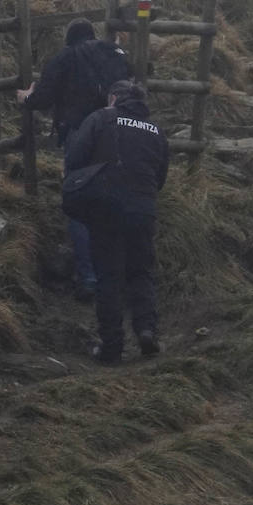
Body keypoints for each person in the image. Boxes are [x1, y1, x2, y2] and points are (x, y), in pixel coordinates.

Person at [17, 18, 130, 299]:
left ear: (69, 38)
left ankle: (88, 278)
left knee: (80, 198)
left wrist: (26, 98)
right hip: (116, 133)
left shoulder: (65, 56)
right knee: (114, 198)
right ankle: (115, 275)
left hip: (79, 134)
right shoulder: (113, 53)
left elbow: (43, 98)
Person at [66, 80, 169, 364]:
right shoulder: (156, 130)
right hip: (143, 208)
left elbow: (75, 157)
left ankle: (112, 346)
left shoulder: (100, 119)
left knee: (109, 275)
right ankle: (147, 330)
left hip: (106, 208)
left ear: (113, 98)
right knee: (141, 271)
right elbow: (161, 175)